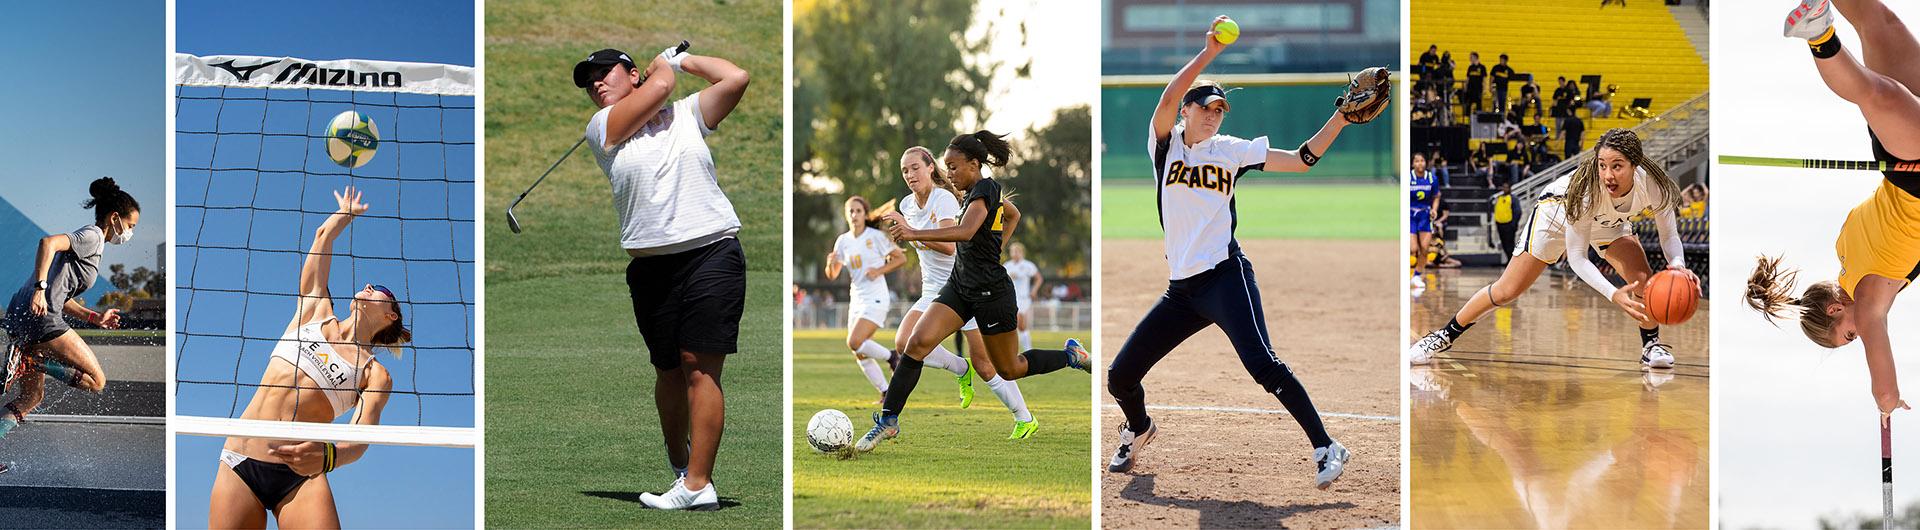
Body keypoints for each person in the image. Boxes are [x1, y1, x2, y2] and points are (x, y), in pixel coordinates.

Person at [1103, 16, 1383, 489]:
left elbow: (1301, 161)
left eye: (1220, 110)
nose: (1214, 116)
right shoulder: (1165, 148)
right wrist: (1209, 52)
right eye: (1207, 108)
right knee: (1120, 375)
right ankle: (1139, 427)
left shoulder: (1230, 151)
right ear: (1188, 111)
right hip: (1182, 291)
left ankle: (1325, 446)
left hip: (1225, 277)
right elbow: (1167, 98)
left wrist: (1340, 117)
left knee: (1263, 366)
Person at [573, 43, 751, 510]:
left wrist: (683, 58)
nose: (595, 83)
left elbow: (735, 78)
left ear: (632, 74)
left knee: (700, 365)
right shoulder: (601, 128)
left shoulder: (687, 114)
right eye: (589, 80)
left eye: (604, 73)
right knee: (667, 371)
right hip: (652, 268)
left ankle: (698, 485)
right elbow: (663, 83)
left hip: (712, 253)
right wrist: (663, 68)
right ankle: (680, 461)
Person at [862, 130, 1092, 452]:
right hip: (959, 286)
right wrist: (996, 247)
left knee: (1008, 368)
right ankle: (888, 421)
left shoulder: (985, 187)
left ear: (974, 164)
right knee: (915, 344)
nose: (949, 174)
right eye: (947, 167)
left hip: (991, 292)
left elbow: (968, 231)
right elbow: (1012, 216)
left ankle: (1070, 355)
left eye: (954, 167)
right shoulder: (968, 193)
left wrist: (914, 231)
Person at [1747, 0, 1920, 428]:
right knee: (1881, 25)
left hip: (1914, 176)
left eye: (1848, 335)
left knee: (1875, 92)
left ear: (1834, 311)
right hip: (1900, 167)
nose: (1858, 333)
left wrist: (1887, 403)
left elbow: (1882, 379)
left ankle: (1820, 35)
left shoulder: (1867, 301)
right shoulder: (1844, 247)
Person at [1406, 129, 1699, 368]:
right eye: (1602, 165)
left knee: (1643, 280)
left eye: (1617, 166)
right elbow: (1577, 258)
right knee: (1507, 291)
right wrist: (1613, 294)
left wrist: (1679, 268)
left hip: (1609, 223)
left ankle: (1651, 345)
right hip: (1557, 215)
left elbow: (1670, 237)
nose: (1608, 174)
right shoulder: (1586, 190)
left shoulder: (1654, 184)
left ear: (1635, 165)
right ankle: (1443, 335)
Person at [208, 187, 408, 527]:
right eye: (370, 285)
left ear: (391, 315)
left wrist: (328, 457)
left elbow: (359, 441)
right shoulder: (314, 310)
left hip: (302, 475)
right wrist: (344, 214)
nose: (371, 287)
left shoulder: (375, 375)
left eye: (382, 293)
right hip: (241, 458)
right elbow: (321, 238)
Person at [893, 146, 1036, 438]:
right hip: (934, 289)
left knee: (988, 365)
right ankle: (960, 368)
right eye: (905, 170)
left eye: (915, 168)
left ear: (931, 168)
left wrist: (910, 231)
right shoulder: (907, 204)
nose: (910, 175)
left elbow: (950, 246)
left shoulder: (945, 199)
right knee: (903, 343)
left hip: (963, 286)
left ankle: (1024, 418)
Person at [0, 177, 134, 472]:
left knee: (31, 396)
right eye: (131, 224)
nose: (131, 232)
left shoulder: (94, 246)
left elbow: (61, 295)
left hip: (23, 314)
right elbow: (47, 243)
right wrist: (39, 287)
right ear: (115, 218)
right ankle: (31, 361)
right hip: (40, 316)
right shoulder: (93, 236)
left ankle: (28, 361)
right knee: (97, 382)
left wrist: (94, 317)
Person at [826, 196, 907, 403]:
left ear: (864, 213)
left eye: (858, 211)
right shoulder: (843, 241)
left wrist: (879, 270)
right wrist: (830, 264)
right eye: (851, 211)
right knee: (859, 351)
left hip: (876, 298)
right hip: (857, 300)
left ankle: (892, 357)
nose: (854, 215)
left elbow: (901, 258)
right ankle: (885, 391)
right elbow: (832, 274)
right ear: (847, 215)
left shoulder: (875, 237)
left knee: (854, 341)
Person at [1003, 242, 1044, 353]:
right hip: (1011, 298)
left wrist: (1034, 290)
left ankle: (1028, 350)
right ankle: (1021, 350)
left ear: (1021, 252)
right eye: (1013, 251)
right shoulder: (1007, 265)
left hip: (1023, 298)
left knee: (1020, 321)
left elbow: (1039, 278)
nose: (1015, 253)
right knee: (1016, 325)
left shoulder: (1028, 265)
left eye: (1017, 251)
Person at [1410, 153, 1441, 291]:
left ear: (1426, 163)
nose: (1420, 163)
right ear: (1413, 164)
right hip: (1410, 214)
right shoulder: (1408, 178)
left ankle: (1416, 276)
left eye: (1422, 161)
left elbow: (1436, 196)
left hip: (1425, 215)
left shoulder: (1431, 178)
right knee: (1412, 248)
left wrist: (1434, 209)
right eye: (1417, 161)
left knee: (1425, 248)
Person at [1492, 182, 1520, 263]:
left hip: (1509, 225)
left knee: (1509, 244)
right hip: (1500, 224)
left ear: (1510, 189)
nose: (1504, 189)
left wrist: (1513, 224)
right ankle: (1509, 260)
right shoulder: (1499, 198)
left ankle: (1512, 262)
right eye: (1503, 187)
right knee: (1504, 243)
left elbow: (1517, 212)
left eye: (1506, 187)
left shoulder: (1513, 198)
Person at [1464, 52, 1487, 117]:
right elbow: (1467, 78)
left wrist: (1485, 89)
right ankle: (1467, 120)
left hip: (1478, 89)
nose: (1470, 59)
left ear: (1475, 58)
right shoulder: (1470, 67)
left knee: (1479, 105)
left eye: (1471, 57)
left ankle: (1478, 119)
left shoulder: (1482, 67)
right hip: (1470, 89)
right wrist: (1465, 87)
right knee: (1468, 105)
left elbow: (1484, 79)